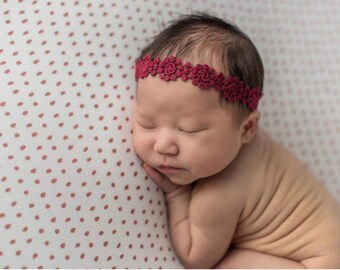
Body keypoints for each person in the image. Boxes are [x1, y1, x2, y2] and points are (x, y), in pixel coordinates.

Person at [131, 12, 340, 268]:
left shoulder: (217, 195)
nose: (162, 145)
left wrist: (177, 194)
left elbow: (195, 258)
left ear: (247, 128)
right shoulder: (239, 141)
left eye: (189, 129)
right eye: (147, 123)